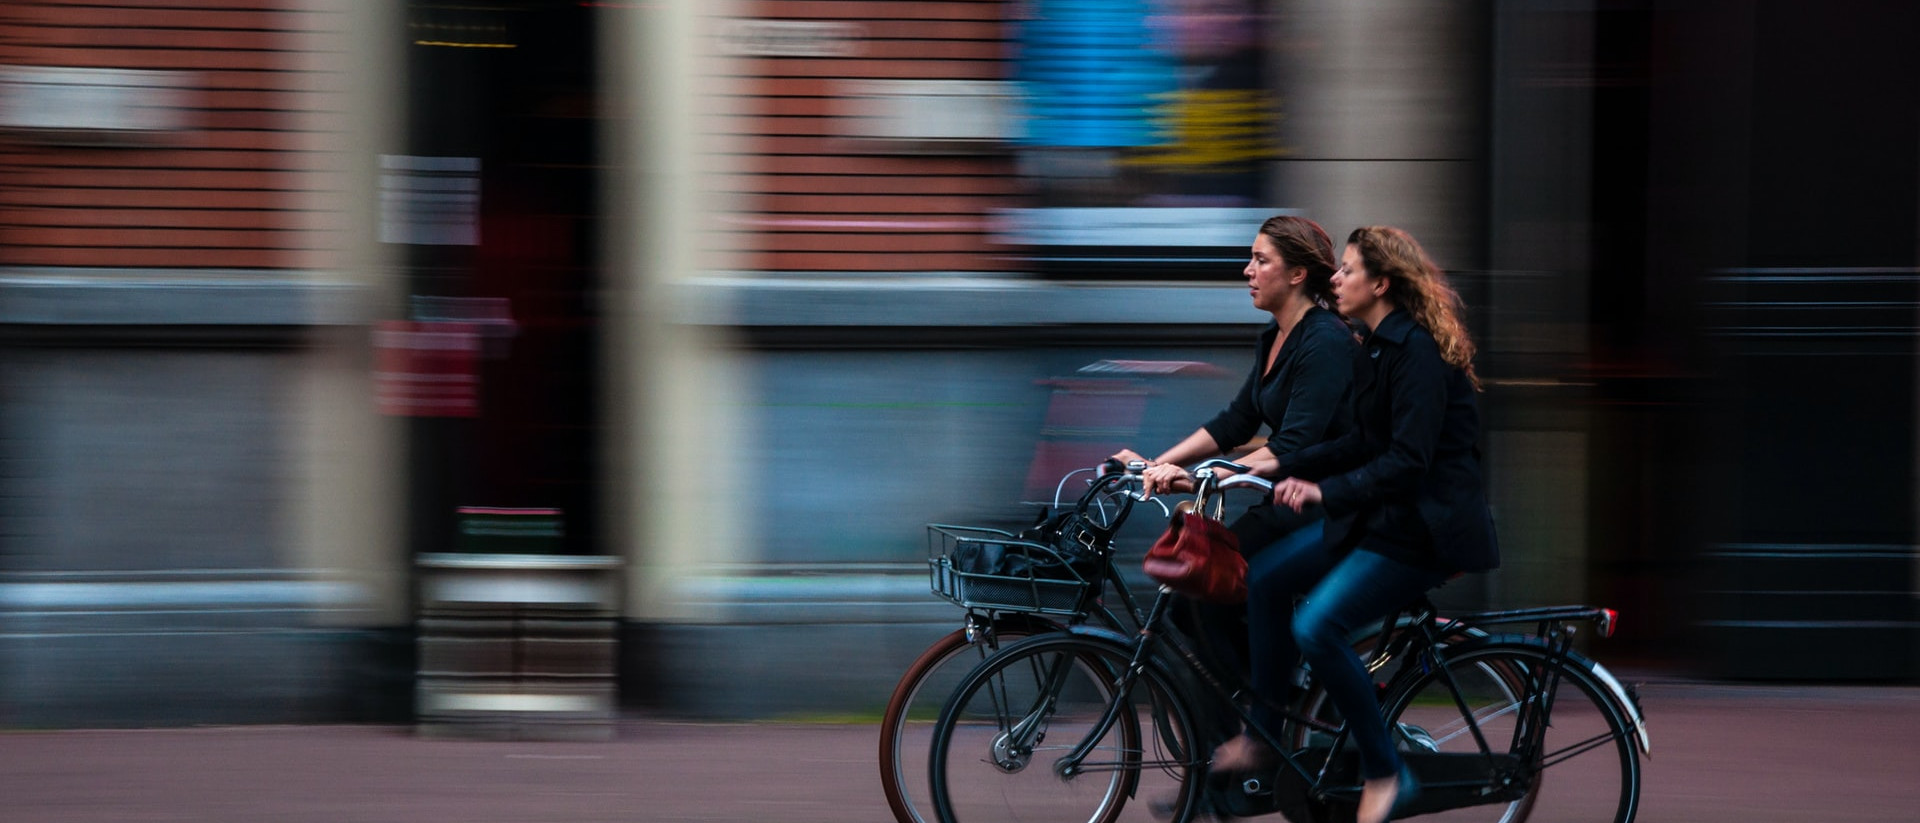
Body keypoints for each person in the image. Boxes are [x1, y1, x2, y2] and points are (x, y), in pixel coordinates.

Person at [1266, 226, 1499, 823]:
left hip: (1423, 530)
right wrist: (1277, 464)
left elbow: (1407, 459)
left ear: (1382, 282)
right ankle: (1265, 738)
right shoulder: (1374, 344)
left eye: (1347, 270)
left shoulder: (1415, 351)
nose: (1335, 280)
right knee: (1264, 576)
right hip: (1384, 519)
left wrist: (1321, 489)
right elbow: (1358, 441)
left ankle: (1385, 773)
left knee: (1317, 628)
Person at [1109, 214, 1359, 764]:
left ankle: (1267, 722)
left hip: (1324, 509)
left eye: (1260, 260)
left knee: (1217, 587)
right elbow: (1236, 421)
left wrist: (1212, 475)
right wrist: (1157, 463)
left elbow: (1294, 444)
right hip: (1284, 507)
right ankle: (1235, 744)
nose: (1247, 271)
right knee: (1191, 602)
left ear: (1296, 274)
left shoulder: (1325, 341)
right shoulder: (1275, 336)